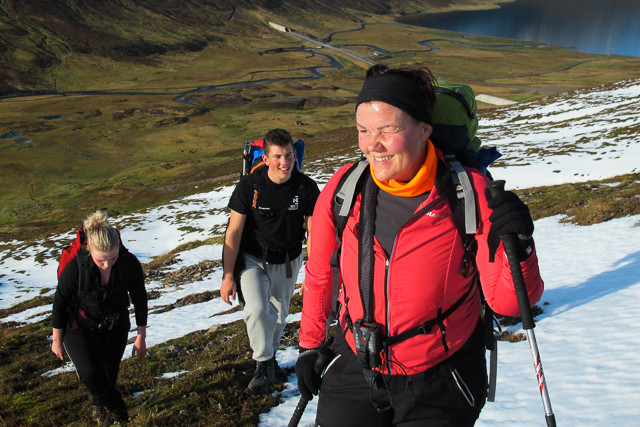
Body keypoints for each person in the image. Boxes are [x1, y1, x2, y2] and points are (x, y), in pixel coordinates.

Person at [295, 64, 544, 426]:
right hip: (357, 361)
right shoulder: (344, 189)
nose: (372, 144)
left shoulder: (469, 195)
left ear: (425, 129)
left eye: (387, 129)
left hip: (441, 376)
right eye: (363, 130)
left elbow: (510, 302)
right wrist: (310, 345)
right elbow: (320, 273)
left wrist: (520, 244)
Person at [221, 128, 320, 394]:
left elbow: (314, 231)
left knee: (278, 315)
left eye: (288, 155)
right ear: (265, 158)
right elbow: (234, 232)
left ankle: (271, 357)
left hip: (288, 260)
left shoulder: (306, 187)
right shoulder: (249, 186)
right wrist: (228, 276)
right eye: (277, 156)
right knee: (256, 310)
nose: (284, 162)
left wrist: (313, 271)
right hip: (252, 258)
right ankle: (263, 363)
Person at [51, 210, 148, 424]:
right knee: (89, 373)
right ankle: (119, 410)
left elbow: (140, 298)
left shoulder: (128, 263)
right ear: (90, 250)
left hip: (116, 324)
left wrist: (141, 336)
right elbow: (60, 302)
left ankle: (101, 408)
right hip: (79, 325)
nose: (107, 264)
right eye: (101, 260)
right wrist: (57, 339)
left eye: (112, 258)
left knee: (109, 374)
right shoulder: (75, 268)